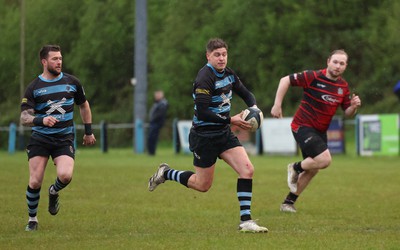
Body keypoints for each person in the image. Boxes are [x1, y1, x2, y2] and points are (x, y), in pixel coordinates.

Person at [148, 38, 268, 233]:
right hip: (204, 136)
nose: (222, 59)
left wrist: (254, 108)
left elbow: (246, 93)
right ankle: (166, 173)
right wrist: (231, 120)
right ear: (208, 56)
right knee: (202, 185)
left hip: (223, 134)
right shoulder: (205, 77)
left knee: (247, 170)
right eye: (217, 55)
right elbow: (203, 112)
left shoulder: (228, 74)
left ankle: (246, 221)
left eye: (224, 54)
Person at [271, 49, 362, 213]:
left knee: (313, 168)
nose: (338, 66)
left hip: (320, 131)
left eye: (342, 63)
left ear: (345, 66)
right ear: (328, 61)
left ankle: (288, 203)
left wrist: (353, 107)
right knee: (325, 160)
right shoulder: (313, 76)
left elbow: (347, 112)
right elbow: (285, 80)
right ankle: (296, 167)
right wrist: (277, 104)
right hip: (302, 125)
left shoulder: (343, 87)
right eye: (335, 62)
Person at [20, 45, 96, 231]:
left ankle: (53, 191)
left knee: (65, 175)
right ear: (44, 62)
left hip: (64, 139)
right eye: (54, 59)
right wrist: (41, 119)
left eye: (60, 58)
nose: (59, 61)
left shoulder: (73, 82)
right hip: (40, 139)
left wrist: (88, 131)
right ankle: (32, 219)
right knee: (35, 180)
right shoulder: (34, 88)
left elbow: (84, 105)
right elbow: (24, 118)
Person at [147, 90, 168, 155]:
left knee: (152, 137)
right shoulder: (158, 103)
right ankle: (151, 152)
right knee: (151, 137)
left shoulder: (162, 103)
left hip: (156, 123)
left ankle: (151, 152)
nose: (155, 96)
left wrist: (153, 119)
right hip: (154, 122)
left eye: (157, 95)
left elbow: (160, 114)